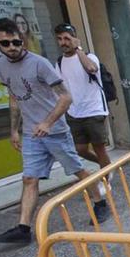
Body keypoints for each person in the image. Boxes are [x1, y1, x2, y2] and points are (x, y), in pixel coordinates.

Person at [0, 18, 108, 244]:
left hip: (55, 131)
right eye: (6, 43)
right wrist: (14, 130)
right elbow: (13, 97)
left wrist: (48, 123)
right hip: (32, 134)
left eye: (16, 41)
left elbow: (65, 97)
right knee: (29, 179)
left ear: (22, 39)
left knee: (77, 170)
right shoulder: (2, 66)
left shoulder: (39, 63)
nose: (12, 47)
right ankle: (23, 229)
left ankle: (100, 202)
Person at [54, 23, 111, 175]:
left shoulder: (89, 57)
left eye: (67, 38)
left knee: (99, 147)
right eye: (59, 39)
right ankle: (106, 165)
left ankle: (106, 176)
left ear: (75, 38)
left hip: (94, 110)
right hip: (74, 112)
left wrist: (78, 49)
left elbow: (92, 68)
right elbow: (59, 88)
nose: (63, 42)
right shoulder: (59, 62)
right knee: (80, 149)